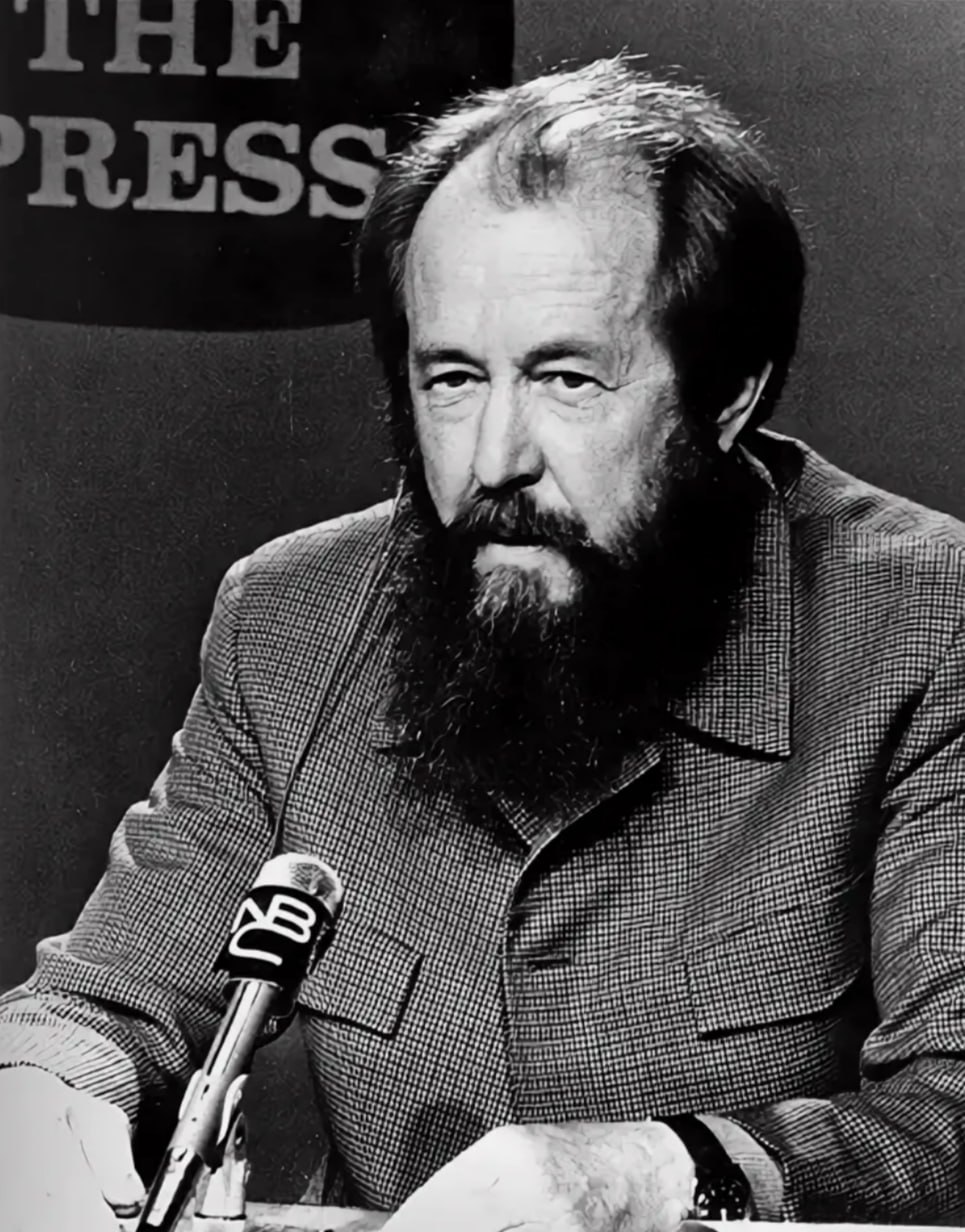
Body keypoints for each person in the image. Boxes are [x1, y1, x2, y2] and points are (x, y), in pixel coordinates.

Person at [2, 53, 965, 1232]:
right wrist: (39, 1097)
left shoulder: (925, 622)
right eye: (452, 378)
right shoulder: (288, 620)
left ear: (725, 396)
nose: (494, 459)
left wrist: (663, 1172)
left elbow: (955, 1106)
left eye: (566, 378)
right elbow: (105, 1000)